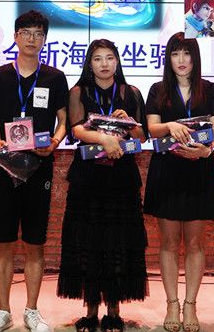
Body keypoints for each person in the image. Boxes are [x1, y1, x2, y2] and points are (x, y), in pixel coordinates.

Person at [0, 10, 69, 332]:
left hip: (39, 166)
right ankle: (3, 311)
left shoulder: (55, 78)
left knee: (34, 242)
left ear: (45, 40)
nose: (32, 39)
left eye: (38, 34)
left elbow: (63, 119)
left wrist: (55, 142)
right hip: (4, 166)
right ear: (15, 37)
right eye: (26, 32)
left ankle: (32, 310)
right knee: (2, 242)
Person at [58, 39, 149, 332]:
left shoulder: (131, 93)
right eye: (98, 58)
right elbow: (76, 130)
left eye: (110, 57)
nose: (104, 64)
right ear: (90, 63)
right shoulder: (78, 92)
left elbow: (143, 136)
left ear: (117, 61)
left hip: (122, 178)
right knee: (88, 242)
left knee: (119, 242)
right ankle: (91, 311)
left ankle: (113, 311)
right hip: (88, 178)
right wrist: (104, 139)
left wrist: (129, 122)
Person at [144, 32, 214, 332]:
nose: (181, 60)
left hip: (199, 169)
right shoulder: (158, 90)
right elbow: (152, 129)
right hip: (167, 170)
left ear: (195, 58)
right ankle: (172, 304)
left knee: (194, 242)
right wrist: (170, 125)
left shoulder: (211, 90)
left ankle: (190, 304)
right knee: (168, 242)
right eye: (175, 53)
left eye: (187, 53)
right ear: (168, 58)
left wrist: (206, 149)